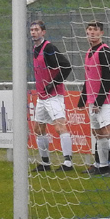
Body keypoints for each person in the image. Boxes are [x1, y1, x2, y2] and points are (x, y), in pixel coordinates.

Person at [77, 21, 110, 175]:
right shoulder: (89, 52)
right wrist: (83, 98)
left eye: (96, 30)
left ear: (101, 33)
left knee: (109, 131)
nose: (92, 33)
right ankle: (102, 165)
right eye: (89, 30)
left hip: (105, 100)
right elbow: (88, 77)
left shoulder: (104, 51)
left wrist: (100, 100)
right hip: (92, 100)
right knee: (98, 133)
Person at [30, 21, 74, 172]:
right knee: (38, 128)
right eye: (32, 30)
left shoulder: (49, 48)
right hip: (42, 96)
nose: (33, 32)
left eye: (36, 29)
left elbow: (66, 66)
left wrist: (53, 84)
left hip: (53, 95)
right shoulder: (35, 49)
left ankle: (68, 163)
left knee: (59, 126)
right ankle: (45, 163)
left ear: (43, 32)